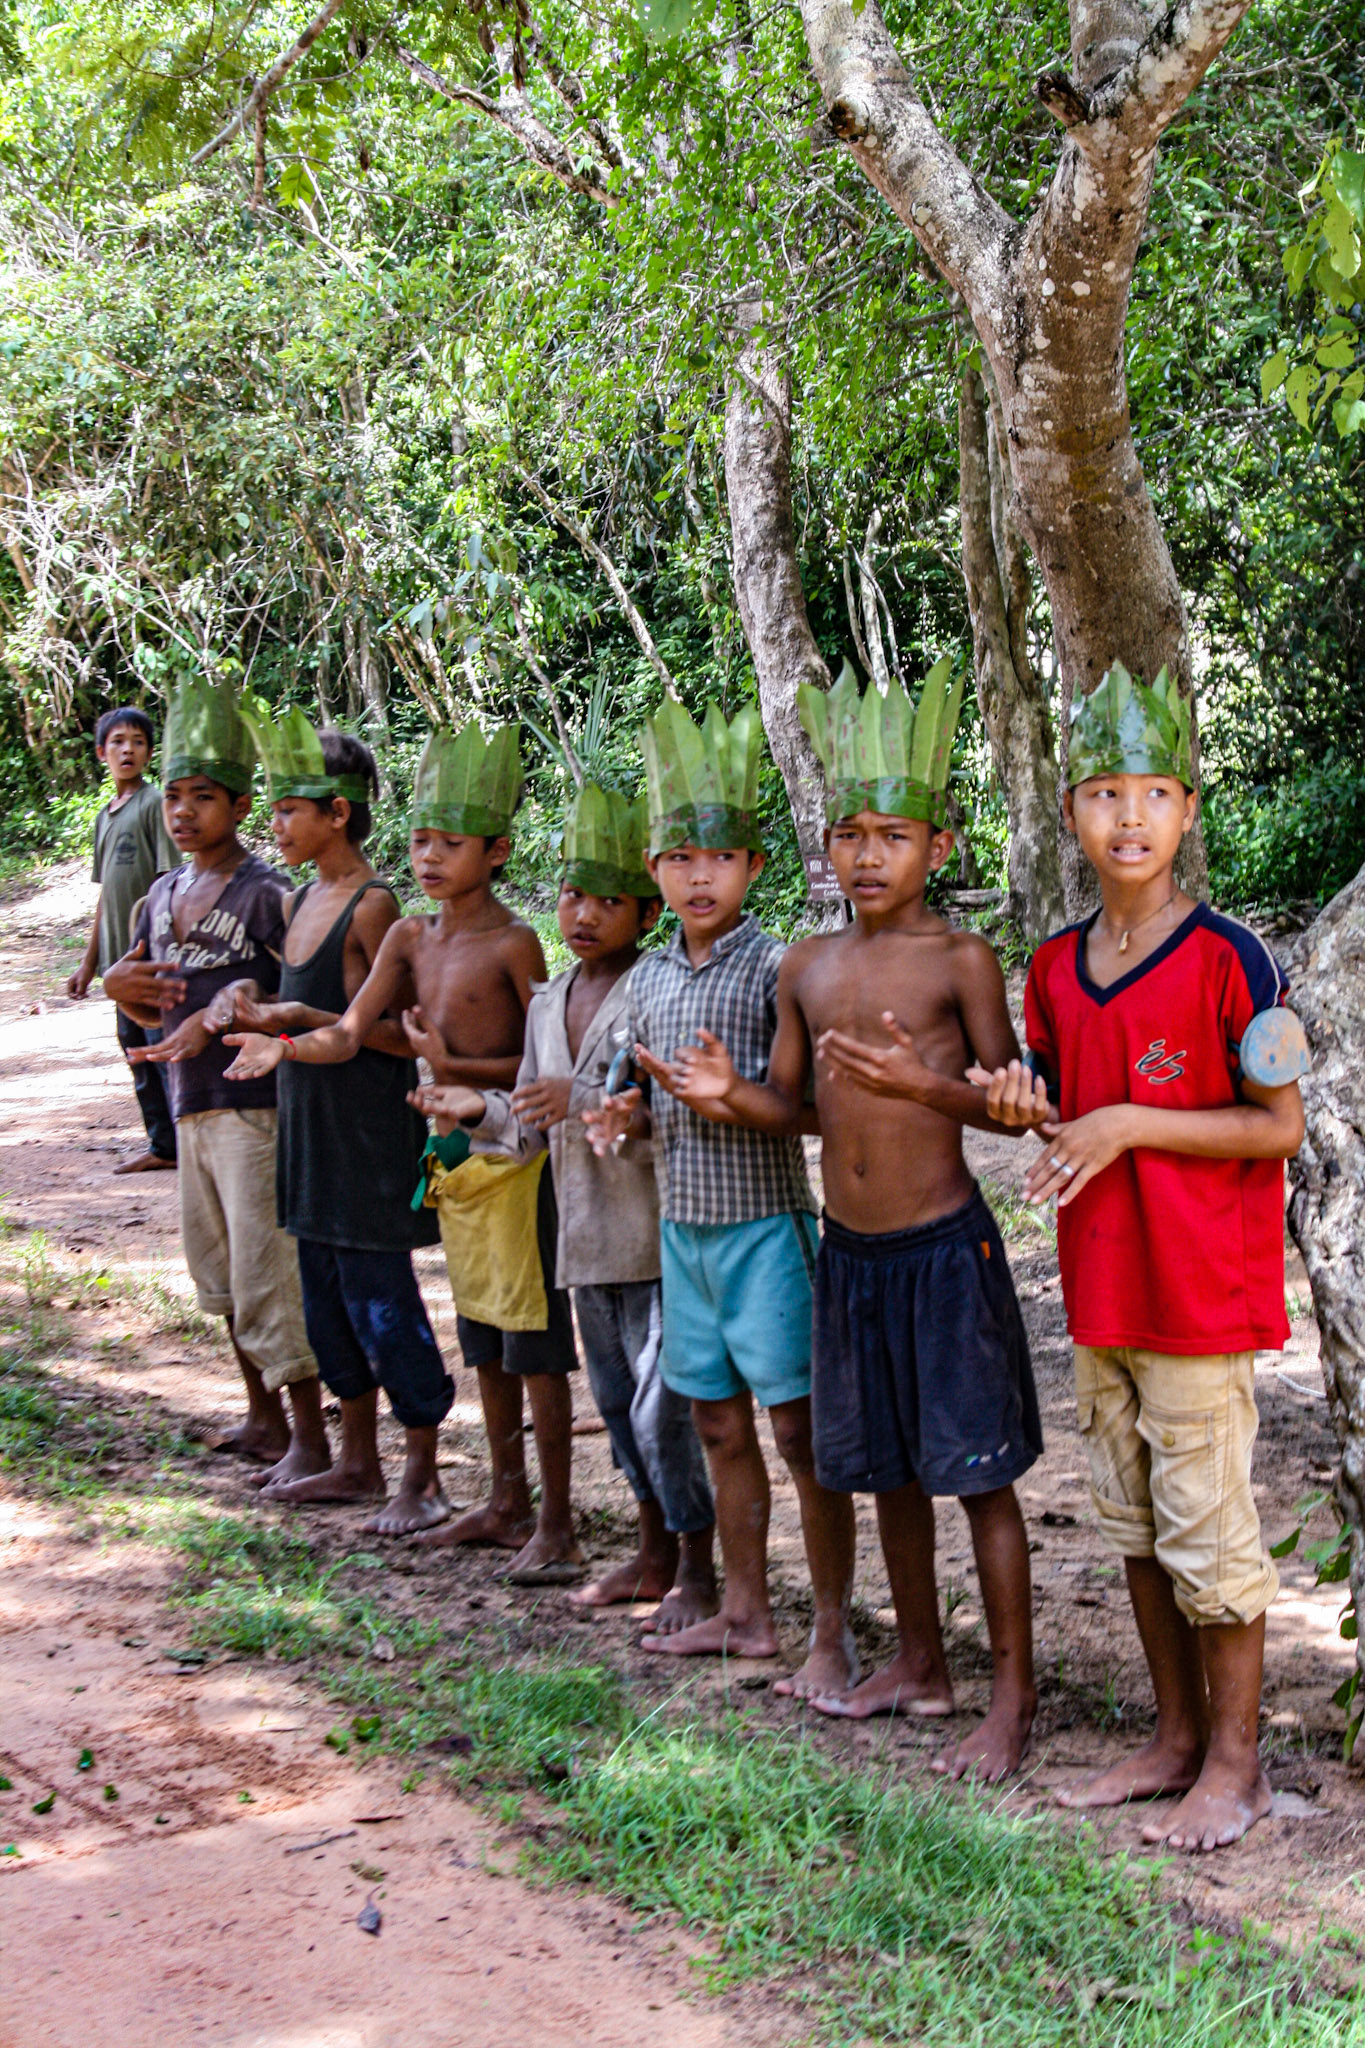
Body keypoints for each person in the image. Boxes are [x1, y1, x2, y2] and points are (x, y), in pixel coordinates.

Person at [647, 662, 1042, 1780]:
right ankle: (920, 1662)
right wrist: (730, 1096)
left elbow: (1010, 1106)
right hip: (851, 1253)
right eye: (849, 835)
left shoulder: (961, 959)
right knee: (889, 1474)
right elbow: (797, 1105)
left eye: (893, 836)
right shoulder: (807, 964)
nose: (869, 856)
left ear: (940, 847)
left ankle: (1011, 1696)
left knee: (979, 1476)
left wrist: (927, 1086)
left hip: (943, 1247)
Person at [973, 660, 1307, 1850]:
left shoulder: (1233, 957)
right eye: (1104, 793)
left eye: (1154, 793)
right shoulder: (1054, 966)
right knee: (1135, 1525)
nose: (1129, 816)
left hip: (1199, 1296)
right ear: (1068, 809)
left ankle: (1238, 1766)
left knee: (1210, 1537)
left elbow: (1278, 1124)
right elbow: (1062, 1103)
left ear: (1188, 809)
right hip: (1102, 1290)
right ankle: (1173, 1737)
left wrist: (1129, 1121)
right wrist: (1023, 1102)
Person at [223, 720, 581, 1579]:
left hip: (507, 1151)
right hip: (449, 1157)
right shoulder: (410, 936)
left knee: (523, 1337)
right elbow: (352, 1031)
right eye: (420, 841)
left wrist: (447, 1062)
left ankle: (533, 1512)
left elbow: (544, 1063)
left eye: (449, 844)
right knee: (477, 1329)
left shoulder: (511, 941)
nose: (427, 858)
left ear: (495, 852)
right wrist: (286, 1042)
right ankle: (501, 1499)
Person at [586, 700, 858, 1697]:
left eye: (720, 858)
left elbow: (809, 1109)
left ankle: (830, 1630)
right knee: (715, 1425)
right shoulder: (649, 977)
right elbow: (643, 1091)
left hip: (766, 1232)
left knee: (796, 1433)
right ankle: (744, 1612)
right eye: (679, 858)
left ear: (753, 867)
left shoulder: (779, 967)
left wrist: (730, 1094)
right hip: (682, 1234)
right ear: (653, 870)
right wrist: (629, 1114)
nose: (699, 876)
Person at [414, 780, 717, 1622]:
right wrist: (474, 1108)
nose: (584, 915)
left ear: (647, 913)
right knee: (618, 1407)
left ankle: (697, 1566)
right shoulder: (548, 1001)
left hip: (656, 1236)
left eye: (609, 901)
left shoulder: (660, 989)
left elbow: (682, 1107)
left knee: (665, 1411)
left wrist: (587, 1101)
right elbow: (526, 1124)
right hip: (583, 1241)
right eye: (573, 894)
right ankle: (652, 1553)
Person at [216, 707, 454, 1532]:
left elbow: (397, 1034)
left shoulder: (374, 906)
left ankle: (422, 1475)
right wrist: (256, 1008)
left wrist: (300, 1023)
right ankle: (356, 1462)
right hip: (308, 1127)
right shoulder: (299, 902)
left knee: (382, 1300)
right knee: (325, 1302)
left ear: (338, 812)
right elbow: (306, 1008)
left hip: (367, 1134)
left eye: (290, 809)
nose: (275, 825)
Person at [102, 677, 328, 1485]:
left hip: (252, 1106)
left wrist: (239, 1003)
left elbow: (298, 992)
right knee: (220, 1271)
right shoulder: (159, 895)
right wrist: (115, 989)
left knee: (267, 1271)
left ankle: (310, 1436)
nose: (184, 812)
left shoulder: (268, 893)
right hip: (187, 1103)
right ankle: (262, 1418)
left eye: (204, 797)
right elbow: (137, 991)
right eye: (173, 796)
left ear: (240, 806)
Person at [67, 705, 181, 1174]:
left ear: (149, 753)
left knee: (162, 1048)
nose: (127, 750)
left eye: (137, 742)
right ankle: (164, 1145)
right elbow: (104, 897)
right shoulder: (104, 817)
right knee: (134, 1048)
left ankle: (191, 1141)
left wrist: (156, 945)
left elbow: (167, 879)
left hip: (148, 959)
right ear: (101, 753)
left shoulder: (154, 804)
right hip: (119, 966)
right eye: (117, 742)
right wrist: (89, 963)